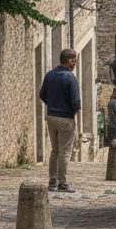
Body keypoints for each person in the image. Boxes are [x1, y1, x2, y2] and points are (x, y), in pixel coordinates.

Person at [39, 48, 81, 193]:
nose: (74, 64)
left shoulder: (49, 75)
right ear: (69, 60)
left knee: (55, 150)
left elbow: (42, 94)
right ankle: (62, 183)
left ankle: (52, 180)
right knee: (64, 152)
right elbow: (76, 102)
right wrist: (71, 111)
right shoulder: (70, 78)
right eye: (74, 61)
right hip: (65, 118)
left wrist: (53, 105)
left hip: (51, 116)